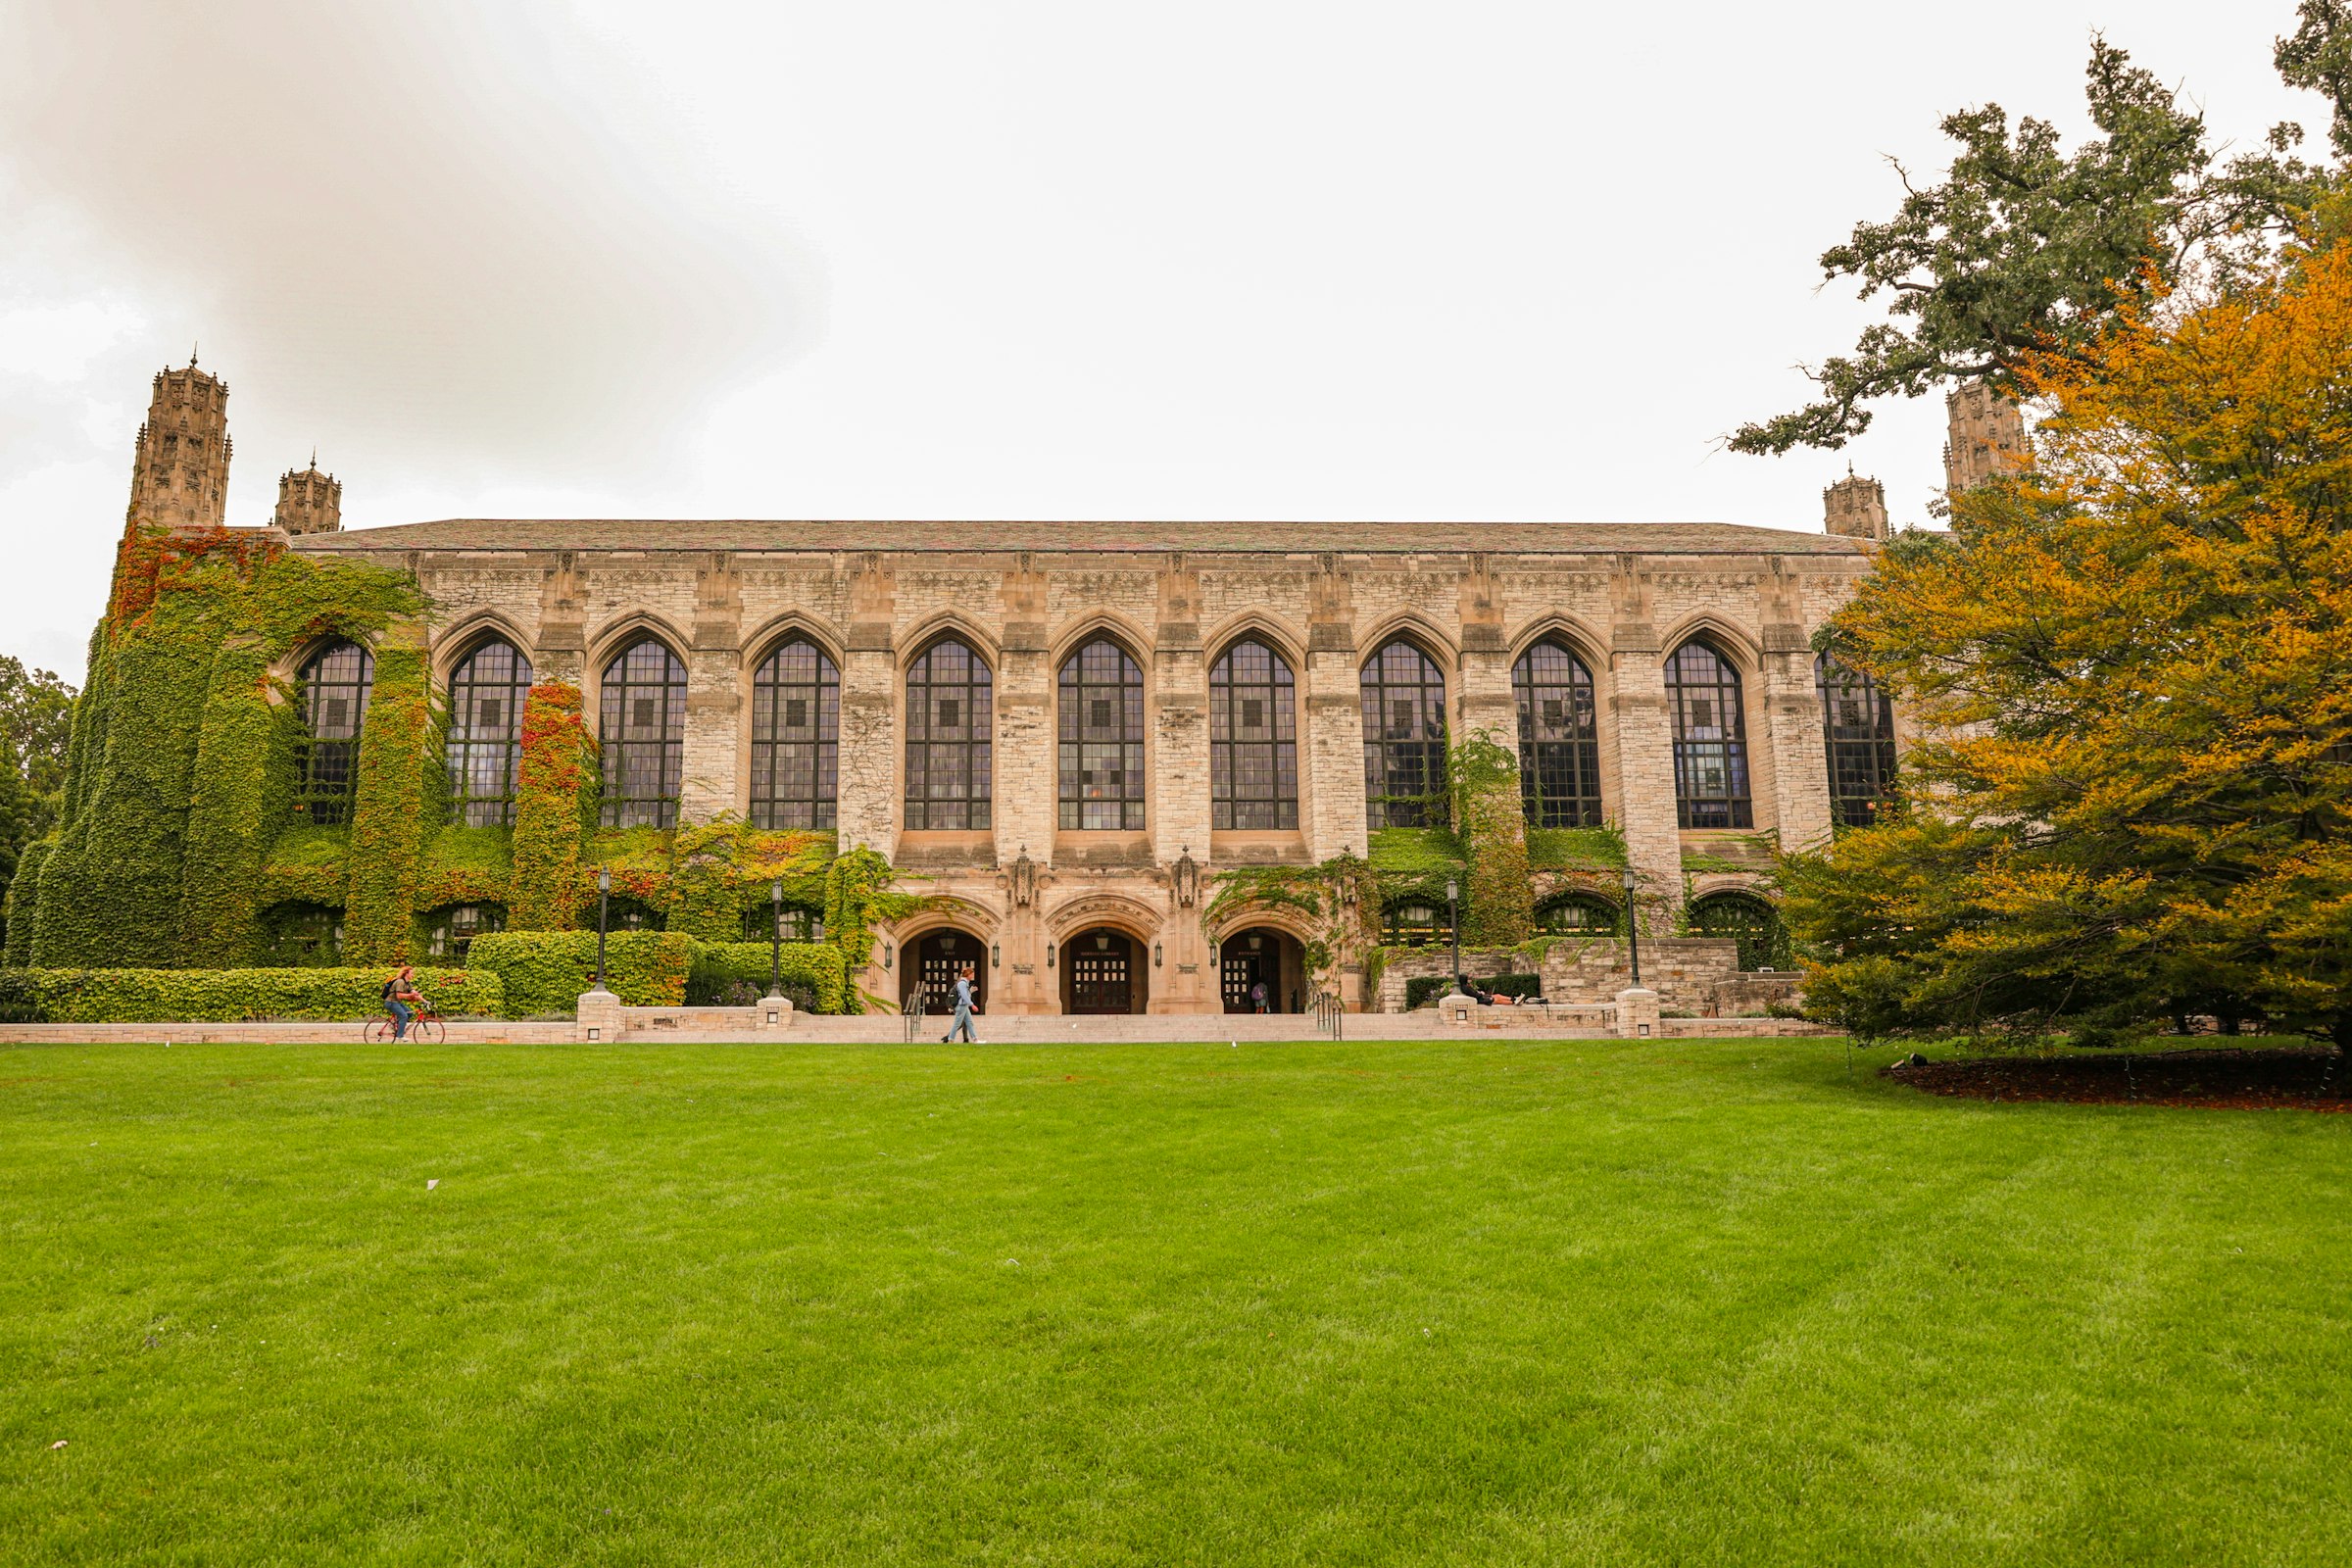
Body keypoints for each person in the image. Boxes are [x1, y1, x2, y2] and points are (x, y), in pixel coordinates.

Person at [941, 964, 981, 1043]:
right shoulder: (962, 983)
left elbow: (965, 994)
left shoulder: (965, 983)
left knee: (969, 1023)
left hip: (964, 1006)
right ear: (968, 974)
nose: (973, 976)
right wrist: (972, 1005)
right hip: (961, 1006)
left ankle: (975, 1039)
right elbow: (964, 996)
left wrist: (970, 991)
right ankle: (950, 1039)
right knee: (957, 1024)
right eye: (972, 974)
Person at [382, 964, 422, 1041]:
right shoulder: (400, 982)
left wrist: (425, 1001)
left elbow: (415, 993)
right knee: (404, 1016)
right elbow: (399, 996)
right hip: (391, 1002)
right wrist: (411, 995)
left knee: (410, 1013)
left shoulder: (407, 983)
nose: (413, 975)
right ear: (406, 974)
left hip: (397, 1003)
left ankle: (395, 1026)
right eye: (412, 973)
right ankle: (400, 1036)